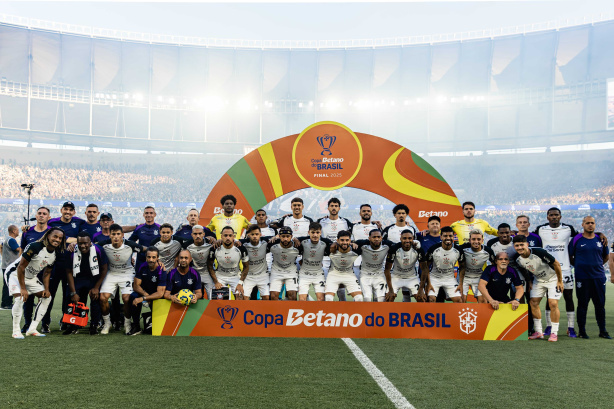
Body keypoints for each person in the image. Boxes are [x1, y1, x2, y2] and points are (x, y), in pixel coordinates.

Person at [4, 228, 66, 338]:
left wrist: (46, 289)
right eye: (55, 236)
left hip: (31, 277)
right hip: (14, 274)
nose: (57, 239)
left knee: (47, 297)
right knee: (20, 298)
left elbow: (47, 273)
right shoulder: (35, 246)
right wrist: (23, 288)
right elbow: (20, 267)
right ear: (48, 236)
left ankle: (32, 329)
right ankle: (16, 331)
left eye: (60, 238)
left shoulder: (55, 254)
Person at [534, 207, 579, 338]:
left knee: (569, 297)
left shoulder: (568, 229)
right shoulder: (541, 229)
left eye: (556, 215)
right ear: (547, 217)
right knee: (550, 299)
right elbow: (529, 236)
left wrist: (599, 234)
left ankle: (571, 328)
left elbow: (582, 236)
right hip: (548, 270)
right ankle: (549, 326)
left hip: (565, 269)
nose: (554, 217)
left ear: (560, 216)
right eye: (551, 215)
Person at [512, 235, 564, 342]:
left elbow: (556, 264)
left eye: (522, 245)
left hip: (553, 278)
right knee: (533, 302)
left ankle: (554, 333)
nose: (519, 247)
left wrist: (560, 281)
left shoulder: (539, 252)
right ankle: (539, 332)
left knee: (553, 303)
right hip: (538, 280)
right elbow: (523, 270)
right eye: (517, 245)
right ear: (514, 246)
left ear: (527, 244)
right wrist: (529, 281)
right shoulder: (517, 258)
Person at [45, 201, 86, 332]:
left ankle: (65, 320)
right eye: (65, 209)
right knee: (49, 294)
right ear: (61, 210)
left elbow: (85, 237)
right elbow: (42, 229)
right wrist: (27, 228)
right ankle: (45, 322)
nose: (68, 212)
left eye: (70, 210)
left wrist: (75, 241)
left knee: (67, 296)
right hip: (53, 264)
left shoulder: (79, 222)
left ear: (74, 212)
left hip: (70, 265)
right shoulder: (52, 222)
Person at [98, 224, 146, 335]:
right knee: (103, 298)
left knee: (126, 298)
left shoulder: (129, 245)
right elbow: (90, 245)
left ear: (122, 235)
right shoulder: (104, 244)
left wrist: (157, 258)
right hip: (111, 273)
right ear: (110, 235)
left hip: (127, 273)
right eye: (113, 234)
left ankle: (127, 324)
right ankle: (107, 323)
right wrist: (72, 244)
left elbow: (146, 249)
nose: (116, 237)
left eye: (118, 234)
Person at [569, 216, 611, 339]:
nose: (590, 225)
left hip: (598, 277)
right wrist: (579, 265)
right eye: (587, 223)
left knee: (600, 305)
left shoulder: (600, 239)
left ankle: (603, 331)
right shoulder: (576, 239)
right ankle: (582, 331)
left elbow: (606, 256)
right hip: (582, 278)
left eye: (592, 223)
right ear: (583, 224)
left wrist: (597, 266)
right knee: (582, 305)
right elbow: (570, 256)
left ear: (595, 224)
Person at [65, 231, 108, 335]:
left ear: (90, 242)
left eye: (85, 243)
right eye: (80, 243)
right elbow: (69, 272)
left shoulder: (98, 249)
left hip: (94, 278)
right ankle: (73, 325)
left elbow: (104, 269)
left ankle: (94, 325)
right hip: (78, 278)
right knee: (73, 300)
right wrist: (73, 292)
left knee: (95, 299)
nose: (83, 246)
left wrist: (96, 287)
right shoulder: (71, 251)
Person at [18, 206, 50, 331]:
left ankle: (45, 324)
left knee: (45, 296)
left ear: (49, 217)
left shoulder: (51, 232)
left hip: (45, 271)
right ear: (36, 216)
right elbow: (22, 250)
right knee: (28, 298)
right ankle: (27, 323)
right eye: (39, 213)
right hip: (29, 271)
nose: (41, 215)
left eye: (44, 214)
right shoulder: (27, 232)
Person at [319, 198, 354, 301]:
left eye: (336, 206)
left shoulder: (345, 222)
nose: (334, 208)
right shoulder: (321, 221)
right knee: (326, 284)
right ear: (328, 208)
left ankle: (343, 305)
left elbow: (353, 235)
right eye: (332, 206)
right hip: (326, 257)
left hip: (340, 257)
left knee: (340, 285)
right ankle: (326, 308)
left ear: (339, 208)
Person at [420, 226, 465, 303]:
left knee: (459, 300)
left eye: (450, 236)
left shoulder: (458, 250)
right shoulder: (433, 249)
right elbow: (426, 266)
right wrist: (428, 283)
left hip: (449, 279)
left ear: (453, 237)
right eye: (445, 236)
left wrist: (460, 284)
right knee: (431, 299)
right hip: (434, 278)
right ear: (441, 237)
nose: (448, 238)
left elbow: (463, 267)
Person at [129, 247, 167, 336]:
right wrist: (145, 296)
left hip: (157, 296)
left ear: (157, 258)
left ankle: (153, 320)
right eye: (149, 257)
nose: (151, 260)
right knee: (133, 296)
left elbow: (160, 293)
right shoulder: (141, 266)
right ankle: (136, 326)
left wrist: (144, 298)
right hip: (144, 293)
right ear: (146, 257)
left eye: (153, 257)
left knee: (159, 328)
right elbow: (136, 286)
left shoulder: (161, 270)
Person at [384, 229, 428, 302]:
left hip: (412, 277)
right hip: (396, 277)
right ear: (400, 239)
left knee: (421, 299)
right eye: (404, 238)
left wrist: (421, 289)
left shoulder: (418, 249)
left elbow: (424, 269)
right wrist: (391, 290)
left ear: (413, 239)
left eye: (410, 238)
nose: (407, 240)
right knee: (389, 298)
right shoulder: (394, 248)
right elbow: (387, 269)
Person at [208, 226, 249, 298]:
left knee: (240, 297)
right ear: (221, 236)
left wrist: (240, 283)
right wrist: (216, 282)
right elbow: (210, 266)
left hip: (235, 276)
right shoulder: (215, 248)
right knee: (219, 298)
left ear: (233, 237)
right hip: (220, 276)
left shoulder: (241, 248)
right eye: (225, 235)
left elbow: (246, 267)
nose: (228, 238)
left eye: (230, 235)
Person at [296, 222, 332, 301]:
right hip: (304, 275)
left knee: (321, 299)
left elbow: (336, 245)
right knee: (302, 300)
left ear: (320, 233)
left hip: (318, 275)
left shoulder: (325, 242)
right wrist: (294, 239)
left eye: (317, 232)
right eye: (313, 232)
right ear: (309, 232)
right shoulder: (303, 241)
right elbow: (292, 240)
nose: (315, 235)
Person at [325, 231, 364, 302]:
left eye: (347, 240)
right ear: (337, 240)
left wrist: (353, 243)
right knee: (328, 298)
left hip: (349, 275)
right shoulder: (331, 249)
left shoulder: (356, 249)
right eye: (342, 240)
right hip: (333, 275)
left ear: (350, 240)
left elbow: (369, 242)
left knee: (359, 298)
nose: (344, 242)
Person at [460, 229, 496, 303]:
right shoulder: (462, 248)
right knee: (461, 301)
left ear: (482, 240)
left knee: (483, 301)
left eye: (479, 239)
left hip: (478, 276)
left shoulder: (488, 251)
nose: (476, 241)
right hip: (464, 276)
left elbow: (494, 265)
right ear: (469, 240)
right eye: (473, 239)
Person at [240, 225, 275, 300]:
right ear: (248, 235)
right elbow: (232, 241)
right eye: (252, 234)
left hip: (263, 276)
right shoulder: (243, 245)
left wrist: (276, 236)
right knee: (244, 298)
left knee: (266, 298)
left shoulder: (265, 243)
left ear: (260, 234)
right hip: (249, 276)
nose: (255, 236)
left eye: (257, 234)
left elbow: (280, 238)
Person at [267, 227, 301, 301]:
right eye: (283, 236)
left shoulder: (297, 245)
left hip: (291, 272)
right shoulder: (272, 244)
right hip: (276, 272)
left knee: (292, 296)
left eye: (288, 236)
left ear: (291, 236)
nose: (285, 239)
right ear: (279, 236)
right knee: (273, 297)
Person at [183, 225, 215, 299]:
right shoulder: (188, 247)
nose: (198, 236)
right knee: (193, 297)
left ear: (204, 234)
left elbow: (223, 242)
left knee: (212, 298)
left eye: (200, 233)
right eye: (195, 234)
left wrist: (235, 241)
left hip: (208, 273)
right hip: (194, 273)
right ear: (192, 235)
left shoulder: (211, 244)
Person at [127, 206, 161, 271]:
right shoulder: (139, 228)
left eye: (151, 213)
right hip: (141, 260)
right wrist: (130, 257)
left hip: (155, 261)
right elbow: (130, 243)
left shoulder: (160, 228)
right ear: (143, 215)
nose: (149, 215)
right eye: (146, 213)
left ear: (155, 214)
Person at [1, 225, 21, 310]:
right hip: (9, 266)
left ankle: (6, 303)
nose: (18, 232)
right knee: (8, 285)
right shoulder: (12, 240)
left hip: (6, 265)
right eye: (17, 230)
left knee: (7, 284)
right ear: (14, 231)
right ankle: (6, 304)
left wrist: (3, 256)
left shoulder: (7, 239)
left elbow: (0, 246)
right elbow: (18, 249)